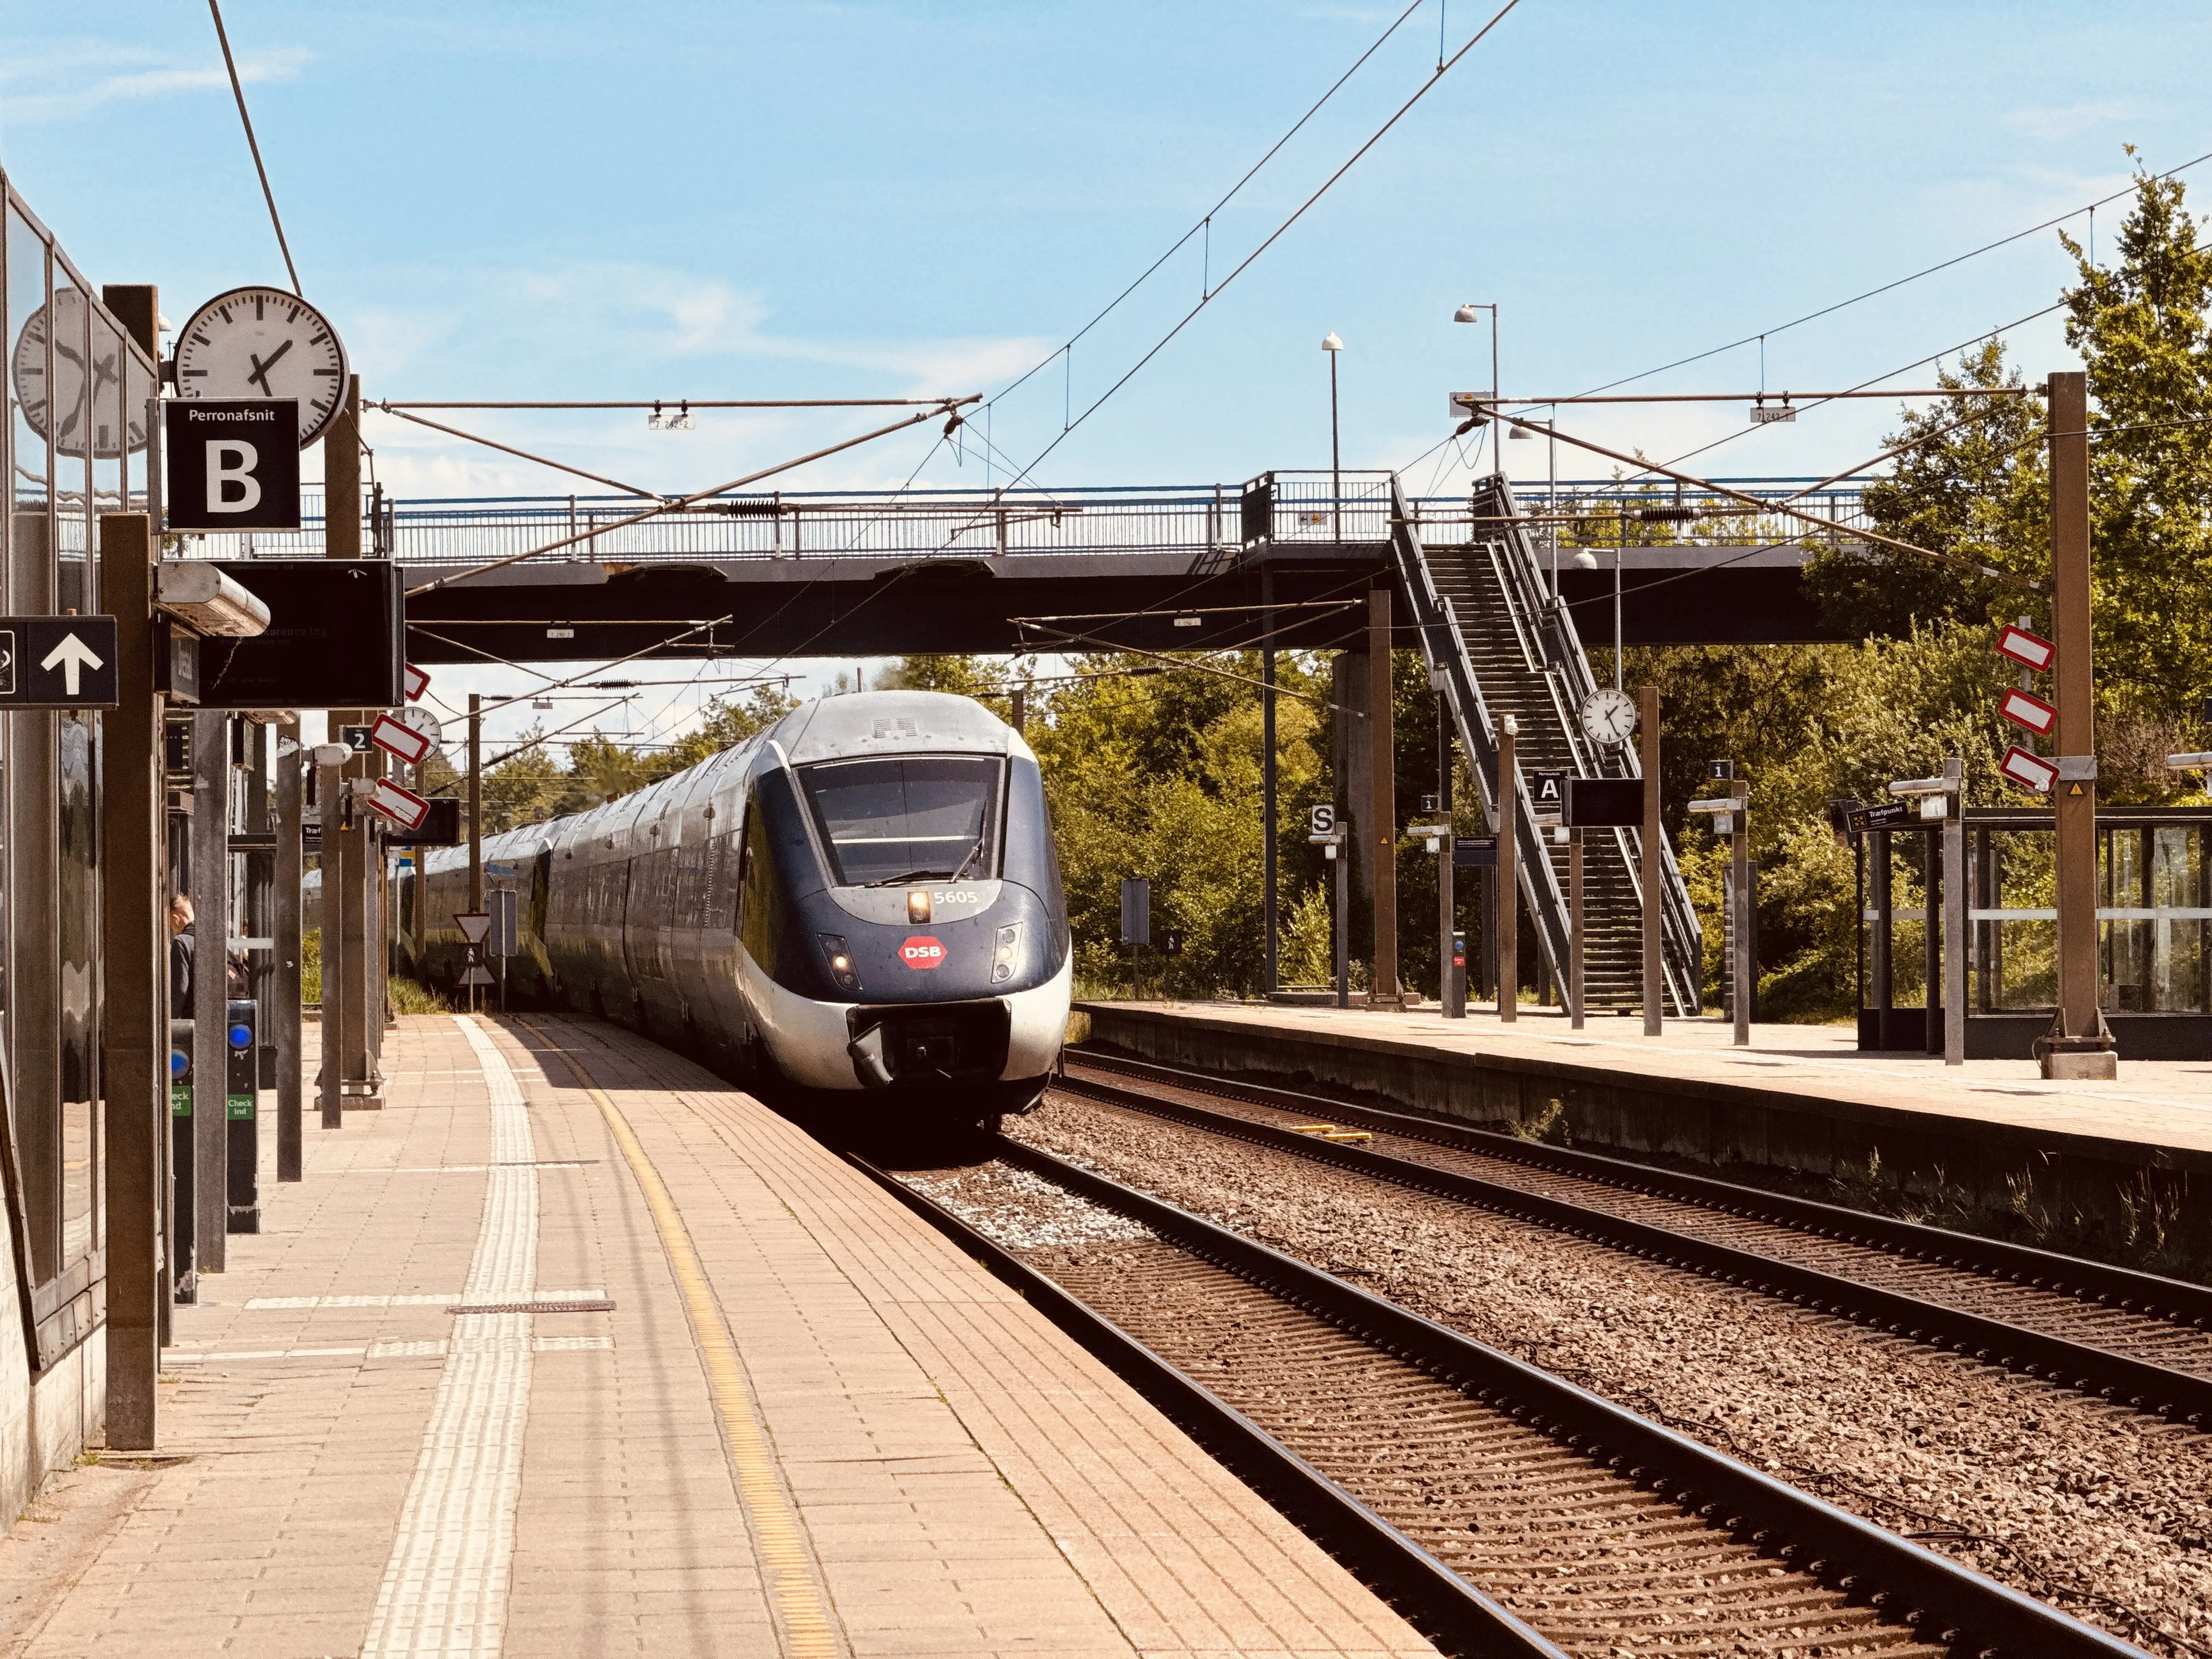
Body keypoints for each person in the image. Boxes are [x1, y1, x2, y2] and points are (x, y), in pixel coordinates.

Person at [169, 894, 195, 1019]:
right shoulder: (218, 938)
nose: (171, 928)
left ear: (176, 918)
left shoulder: (181, 942)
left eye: (170, 923)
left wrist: (171, 1020)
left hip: (194, 1017)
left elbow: (180, 989)